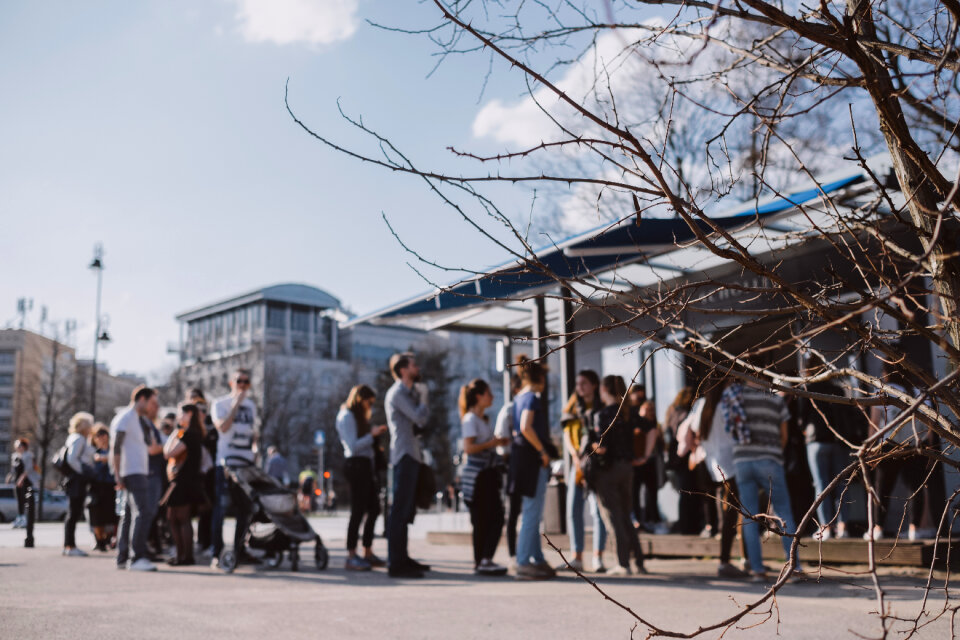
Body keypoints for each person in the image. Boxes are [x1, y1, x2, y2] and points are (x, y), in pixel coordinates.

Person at [724, 378, 802, 581]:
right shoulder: (775, 399)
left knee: (749, 517)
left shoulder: (736, 396)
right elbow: (784, 434)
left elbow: (729, 427)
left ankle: (757, 569)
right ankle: (793, 567)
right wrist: (775, 452)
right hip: (770, 460)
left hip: (742, 460)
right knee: (783, 512)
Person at [679, 380, 749, 578]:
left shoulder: (702, 405)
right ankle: (729, 560)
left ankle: (735, 559)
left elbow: (693, 433)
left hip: (714, 464)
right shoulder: (728, 402)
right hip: (734, 461)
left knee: (730, 512)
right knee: (736, 513)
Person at [588, 375, 646, 576]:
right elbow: (649, 429)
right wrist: (642, 455)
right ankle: (638, 561)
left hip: (608, 470)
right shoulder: (628, 413)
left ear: (604, 390)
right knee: (626, 515)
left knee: (613, 517)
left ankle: (623, 563)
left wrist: (593, 446)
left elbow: (602, 447)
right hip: (627, 468)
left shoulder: (602, 415)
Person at [509, 355, 556, 580]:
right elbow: (525, 427)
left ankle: (536, 558)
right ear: (538, 378)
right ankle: (523, 561)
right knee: (532, 512)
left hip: (521, 460)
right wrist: (543, 451)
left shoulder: (518, 398)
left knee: (532, 511)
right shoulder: (532, 398)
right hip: (532, 460)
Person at [385, 352, 432, 578]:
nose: (417, 367)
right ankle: (396, 562)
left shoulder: (409, 392)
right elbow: (419, 418)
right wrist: (424, 399)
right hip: (403, 455)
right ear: (403, 370)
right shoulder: (397, 393)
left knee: (406, 511)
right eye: (413, 365)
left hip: (412, 455)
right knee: (399, 511)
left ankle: (402, 557)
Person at [459, 378, 510, 575]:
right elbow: (469, 448)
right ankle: (483, 559)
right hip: (480, 477)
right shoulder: (470, 419)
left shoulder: (481, 420)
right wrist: (492, 444)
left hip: (487, 474)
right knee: (487, 518)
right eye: (488, 393)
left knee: (488, 518)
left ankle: (482, 559)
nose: (492, 397)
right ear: (479, 396)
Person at [559, 369, 608, 573]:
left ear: (594, 385)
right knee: (573, 509)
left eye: (584, 383)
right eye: (578, 384)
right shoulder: (573, 407)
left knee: (598, 511)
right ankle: (576, 556)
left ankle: (598, 556)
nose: (579, 387)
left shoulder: (601, 406)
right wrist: (575, 455)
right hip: (577, 464)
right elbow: (567, 434)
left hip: (596, 464)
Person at [797, 359, 852, 540]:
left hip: (816, 441)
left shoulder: (806, 391)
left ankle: (825, 527)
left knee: (821, 485)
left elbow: (801, 419)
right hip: (838, 440)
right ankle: (843, 526)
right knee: (841, 485)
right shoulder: (836, 390)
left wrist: (805, 431)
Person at [336, 384, 388, 571]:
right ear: (360, 399)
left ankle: (367, 551)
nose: (370, 406)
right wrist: (371, 436)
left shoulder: (360, 418)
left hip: (366, 466)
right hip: (355, 465)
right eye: (369, 402)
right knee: (357, 510)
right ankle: (351, 555)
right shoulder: (346, 416)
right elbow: (352, 446)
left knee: (374, 509)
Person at [111, 385, 163, 571]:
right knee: (143, 512)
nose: (152, 407)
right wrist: (117, 474)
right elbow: (116, 446)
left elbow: (148, 447)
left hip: (137, 471)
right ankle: (137, 557)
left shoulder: (137, 420)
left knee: (129, 515)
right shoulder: (126, 418)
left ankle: (123, 557)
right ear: (142, 399)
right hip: (132, 471)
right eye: (151, 402)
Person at [211, 368, 259, 567]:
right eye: (239, 381)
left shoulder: (252, 406)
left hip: (246, 464)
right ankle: (217, 553)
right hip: (226, 464)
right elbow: (222, 427)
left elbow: (253, 433)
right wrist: (236, 404)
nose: (243, 385)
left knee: (245, 510)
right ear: (231, 382)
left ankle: (239, 551)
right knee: (221, 509)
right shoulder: (220, 403)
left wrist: (256, 452)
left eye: (246, 382)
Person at [162, 403, 207, 566]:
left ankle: (186, 556)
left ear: (189, 414)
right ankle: (182, 555)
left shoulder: (188, 434)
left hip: (183, 481)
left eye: (181, 413)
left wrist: (174, 433)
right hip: (185, 481)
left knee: (180, 518)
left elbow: (168, 453)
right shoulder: (194, 433)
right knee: (176, 518)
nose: (179, 417)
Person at [494, 374, 523, 562]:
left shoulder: (526, 407)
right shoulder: (509, 410)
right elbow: (501, 440)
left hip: (523, 464)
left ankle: (522, 552)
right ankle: (513, 554)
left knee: (524, 510)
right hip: (512, 464)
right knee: (513, 511)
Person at [187, 388, 216, 555]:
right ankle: (186, 544)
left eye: (200, 405)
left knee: (206, 508)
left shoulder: (210, 424)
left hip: (206, 473)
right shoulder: (184, 424)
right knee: (185, 511)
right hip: (188, 473)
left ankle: (205, 542)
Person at [63, 412, 95, 557]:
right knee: (74, 513)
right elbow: (72, 459)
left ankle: (69, 545)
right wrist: (83, 471)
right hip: (77, 480)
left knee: (73, 513)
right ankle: (70, 545)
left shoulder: (75, 438)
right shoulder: (79, 439)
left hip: (74, 480)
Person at [629, 388, 661, 531]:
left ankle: (650, 518)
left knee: (650, 491)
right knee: (635, 492)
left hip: (648, 461)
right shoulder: (633, 419)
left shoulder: (652, 426)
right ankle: (637, 519)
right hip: (636, 461)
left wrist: (646, 456)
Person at [87, 424, 118, 552]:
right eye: (98, 435)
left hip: (111, 487)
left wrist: (106, 458)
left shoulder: (113, 451)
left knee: (111, 515)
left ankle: (108, 539)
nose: (101, 438)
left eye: (103, 434)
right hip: (96, 487)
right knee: (96, 516)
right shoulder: (92, 452)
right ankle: (99, 541)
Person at [11, 439, 39, 529]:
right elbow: (14, 470)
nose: (17, 447)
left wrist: (21, 479)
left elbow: (28, 469)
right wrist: (10, 477)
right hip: (17, 481)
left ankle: (25, 519)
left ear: (23, 446)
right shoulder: (15, 456)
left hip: (26, 481)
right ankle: (20, 517)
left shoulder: (28, 456)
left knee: (25, 500)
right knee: (19, 500)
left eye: (19, 446)